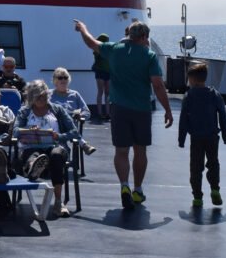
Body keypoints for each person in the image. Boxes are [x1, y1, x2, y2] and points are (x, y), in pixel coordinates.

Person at [74, 19, 172, 210]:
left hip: (118, 108)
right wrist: (167, 109)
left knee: (121, 151)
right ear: (143, 36)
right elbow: (158, 85)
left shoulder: (113, 49)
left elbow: (91, 42)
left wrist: (83, 28)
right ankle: (138, 189)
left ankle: (124, 186)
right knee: (140, 150)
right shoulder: (149, 56)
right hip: (141, 109)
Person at [13, 80, 79, 218]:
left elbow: (74, 132)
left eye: (44, 96)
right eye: (38, 97)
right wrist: (28, 130)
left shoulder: (57, 110)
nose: (42, 99)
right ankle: (34, 167)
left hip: (54, 145)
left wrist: (58, 136)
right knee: (33, 154)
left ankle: (58, 202)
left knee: (56, 155)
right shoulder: (25, 111)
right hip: (31, 146)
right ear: (31, 97)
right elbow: (15, 131)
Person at [177, 62, 226, 207]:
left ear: (192, 79)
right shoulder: (214, 94)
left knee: (196, 167)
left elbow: (183, 118)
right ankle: (215, 189)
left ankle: (197, 197)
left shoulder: (189, 96)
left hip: (196, 137)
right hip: (212, 136)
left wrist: (181, 139)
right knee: (213, 163)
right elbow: (222, 116)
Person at [50, 68, 97, 156]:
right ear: (55, 80)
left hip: (70, 126)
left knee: (67, 119)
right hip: (55, 125)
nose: (63, 80)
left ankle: (64, 151)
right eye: (60, 78)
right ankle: (83, 144)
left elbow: (87, 112)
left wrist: (80, 115)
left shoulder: (75, 95)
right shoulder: (48, 94)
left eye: (65, 77)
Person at [91, 33, 111, 120]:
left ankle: (106, 113)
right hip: (101, 71)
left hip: (106, 72)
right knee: (102, 92)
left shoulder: (105, 49)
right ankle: (101, 113)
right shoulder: (98, 50)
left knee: (106, 92)